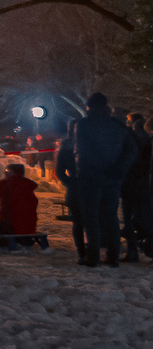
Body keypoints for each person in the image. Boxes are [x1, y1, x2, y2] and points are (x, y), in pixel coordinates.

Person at [63, 92, 140, 266]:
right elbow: (131, 151)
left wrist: (91, 170)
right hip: (113, 178)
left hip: (90, 177)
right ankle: (113, 257)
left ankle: (93, 257)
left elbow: (83, 152)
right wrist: (118, 169)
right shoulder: (118, 125)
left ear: (89, 107)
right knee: (111, 217)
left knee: (91, 218)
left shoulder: (84, 124)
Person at [122, 112, 152, 261]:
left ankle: (135, 249)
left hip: (136, 183)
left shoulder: (137, 137)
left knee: (134, 217)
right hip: (142, 183)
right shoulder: (145, 138)